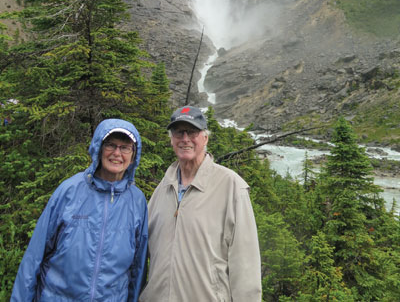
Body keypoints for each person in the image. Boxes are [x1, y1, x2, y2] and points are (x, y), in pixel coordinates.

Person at [11, 118, 148, 302]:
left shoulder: (137, 201)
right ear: (98, 148)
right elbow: (34, 256)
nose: (117, 153)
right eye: (110, 145)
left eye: (125, 147)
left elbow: (138, 267)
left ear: (133, 156)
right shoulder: (69, 190)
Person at [139, 105, 262, 302]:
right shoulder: (163, 188)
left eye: (193, 131)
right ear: (171, 139)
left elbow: (245, 263)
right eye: (179, 132)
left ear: (205, 137)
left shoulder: (231, 186)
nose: (185, 138)